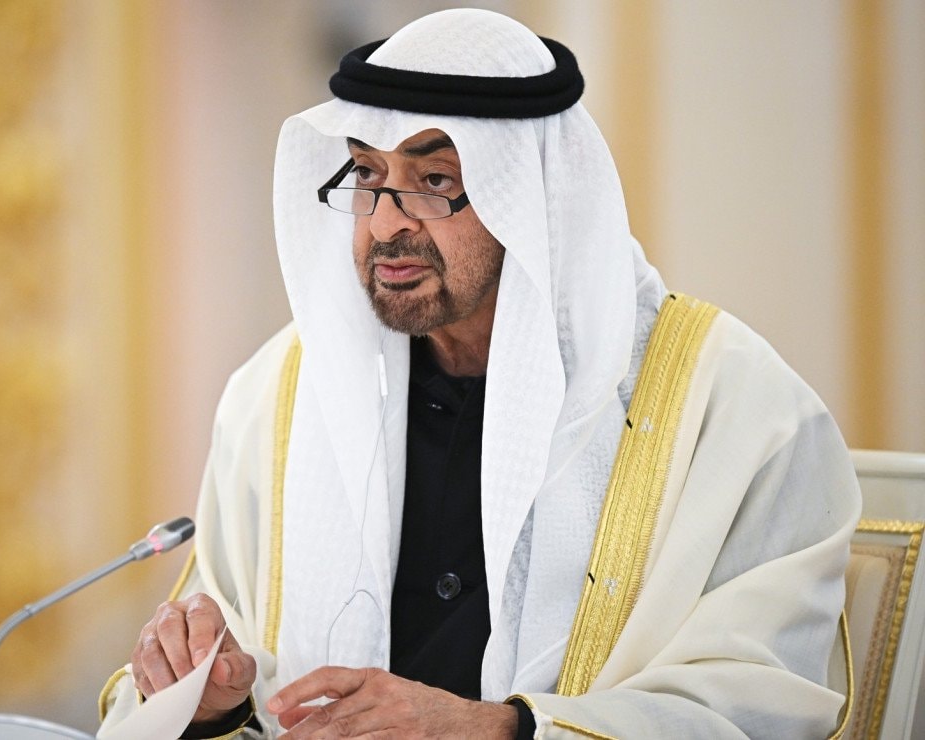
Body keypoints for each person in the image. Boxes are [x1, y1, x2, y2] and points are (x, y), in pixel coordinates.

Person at [98, 9, 859, 739]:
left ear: (531, 194)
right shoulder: (279, 397)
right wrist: (210, 700)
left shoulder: (735, 409)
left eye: (434, 181)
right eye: (366, 172)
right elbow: (228, 662)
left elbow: (765, 703)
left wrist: (503, 730)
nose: (385, 223)